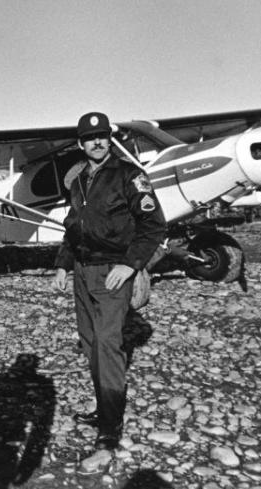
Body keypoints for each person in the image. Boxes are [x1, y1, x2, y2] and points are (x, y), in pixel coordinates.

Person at [50, 112, 166, 463]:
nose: (97, 142)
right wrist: (62, 265)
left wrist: (130, 264)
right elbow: (74, 229)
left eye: (103, 136)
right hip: (83, 272)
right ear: (81, 143)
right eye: (90, 138)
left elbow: (153, 226)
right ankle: (103, 410)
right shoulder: (78, 182)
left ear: (108, 140)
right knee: (89, 344)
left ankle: (109, 430)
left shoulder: (130, 176)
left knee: (107, 344)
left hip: (112, 272)